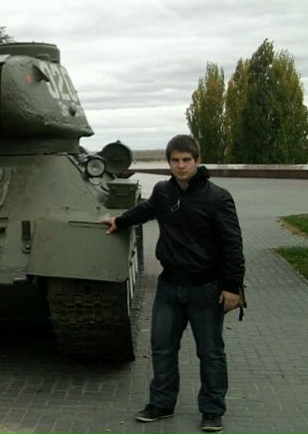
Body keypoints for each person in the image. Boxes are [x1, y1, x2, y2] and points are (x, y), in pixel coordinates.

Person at [103, 134, 244, 433]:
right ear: (169, 163)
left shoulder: (218, 198)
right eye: (175, 160)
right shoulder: (164, 191)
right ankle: (162, 404)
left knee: (210, 352)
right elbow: (146, 210)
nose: (181, 166)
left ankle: (212, 410)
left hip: (205, 287)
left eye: (186, 160)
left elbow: (233, 245)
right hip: (169, 286)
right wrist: (120, 221)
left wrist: (232, 286)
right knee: (162, 347)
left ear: (197, 161)